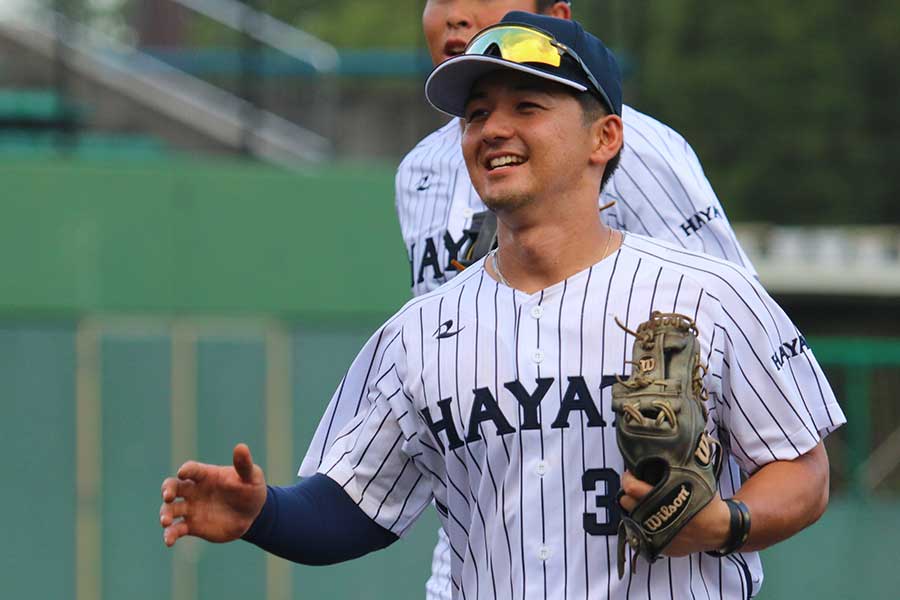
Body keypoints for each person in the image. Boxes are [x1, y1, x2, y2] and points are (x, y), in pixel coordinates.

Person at [160, 13, 844, 599]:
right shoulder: (419, 334)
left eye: (528, 106)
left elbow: (803, 470)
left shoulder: (706, 295)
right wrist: (263, 513)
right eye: (477, 112)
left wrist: (728, 523)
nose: (493, 128)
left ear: (604, 138)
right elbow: (354, 505)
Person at [304, 1, 756, 598]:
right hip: (484, 542)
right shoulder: (419, 170)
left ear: (557, 14)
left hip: (636, 551)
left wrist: (713, 506)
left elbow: (736, 338)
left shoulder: (639, 149)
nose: (454, 15)